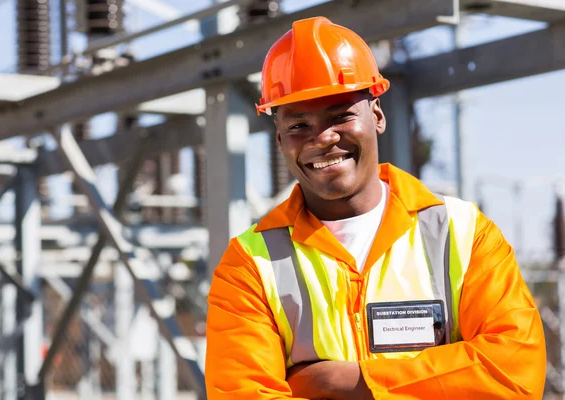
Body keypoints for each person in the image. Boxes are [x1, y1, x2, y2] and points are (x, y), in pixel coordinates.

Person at [205, 16, 546, 400]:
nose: (324, 138)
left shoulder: (464, 233)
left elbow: (515, 373)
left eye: (341, 115)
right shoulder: (249, 265)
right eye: (299, 125)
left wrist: (342, 382)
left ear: (377, 117)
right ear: (280, 138)